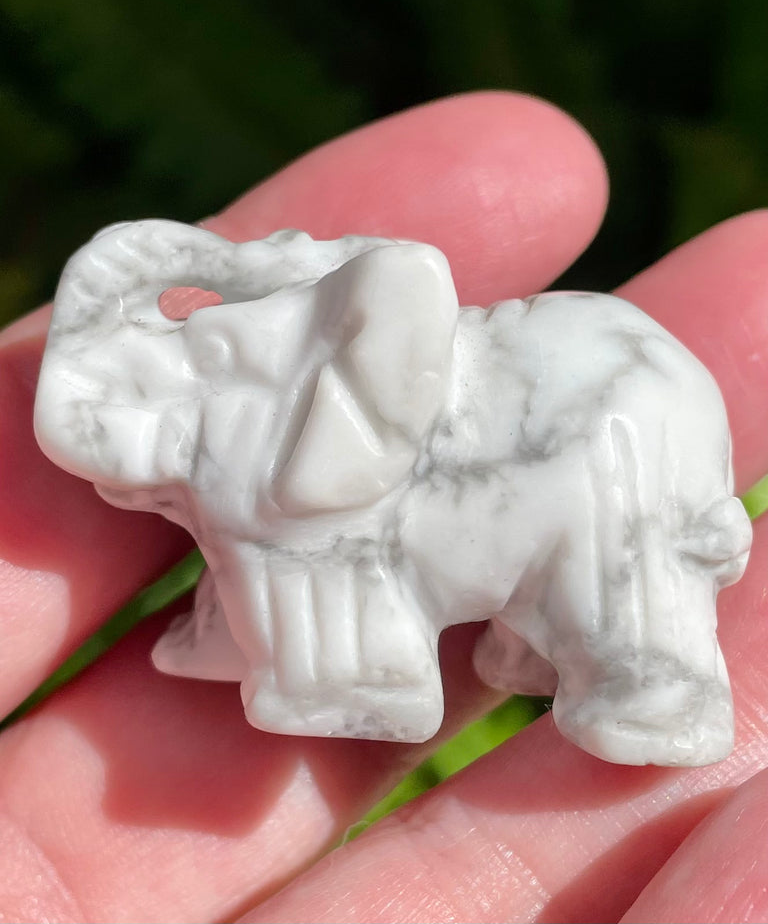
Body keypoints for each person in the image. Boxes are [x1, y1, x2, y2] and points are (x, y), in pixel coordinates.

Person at [0, 91, 765, 923]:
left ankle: (649, 688)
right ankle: (547, 649)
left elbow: (297, 511)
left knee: (616, 594)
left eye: (212, 356)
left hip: (604, 436)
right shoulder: (299, 405)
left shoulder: (354, 441)